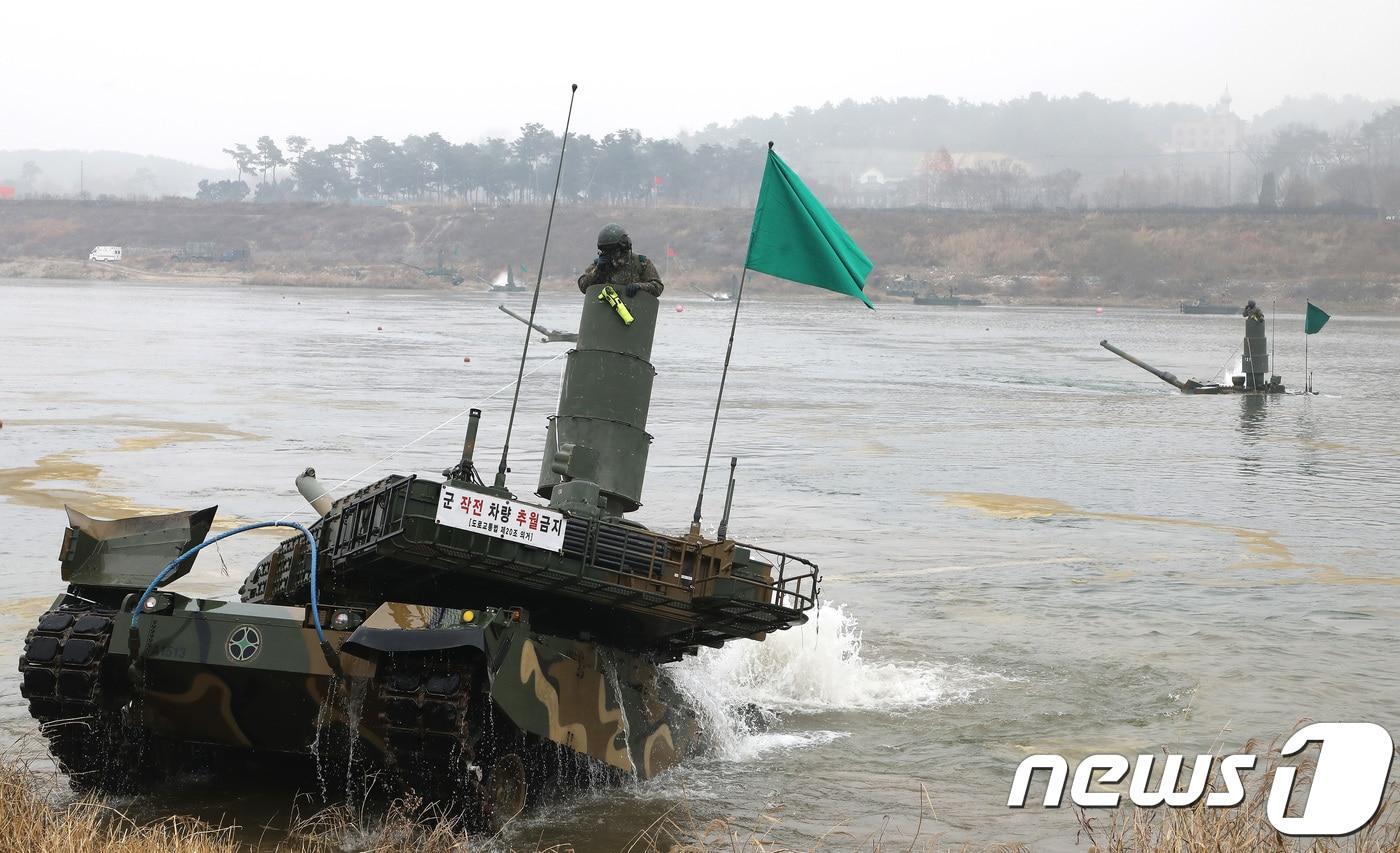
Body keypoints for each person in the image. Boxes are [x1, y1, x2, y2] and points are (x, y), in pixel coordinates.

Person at [577, 224, 664, 297]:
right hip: (603, 314)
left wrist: (639, 286)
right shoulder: (599, 265)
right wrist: (598, 270)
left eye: (612, 250)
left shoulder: (641, 263)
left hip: (633, 312)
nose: (609, 254)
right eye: (605, 250)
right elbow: (583, 286)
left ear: (623, 247)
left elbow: (658, 287)